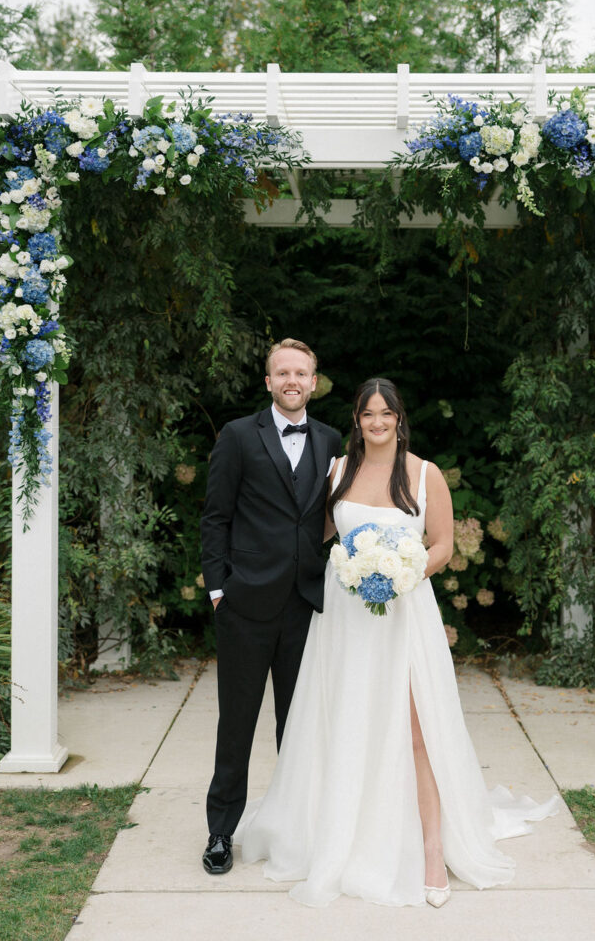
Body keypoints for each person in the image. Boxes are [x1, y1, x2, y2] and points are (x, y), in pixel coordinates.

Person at [233, 377, 559, 906]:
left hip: (404, 615)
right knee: (345, 724)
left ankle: (432, 849)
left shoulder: (426, 474)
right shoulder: (338, 470)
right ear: (356, 421)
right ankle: (343, 837)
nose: (377, 423)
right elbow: (309, 532)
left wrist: (405, 573)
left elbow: (444, 544)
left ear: (399, 418)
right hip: (345, 619)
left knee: (415, 730)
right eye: (367, 415)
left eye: (386, 414)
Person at [199, 338, 341, 875]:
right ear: (268, 382)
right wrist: (219, 589)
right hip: (244, 605)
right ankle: (220, 831)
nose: (292, 381)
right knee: (236, 722)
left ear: (313, 380)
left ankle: (294, 827)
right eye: (282, 372)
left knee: (298, 724)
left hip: (306, 604)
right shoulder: (238, 436)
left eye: (301, 373)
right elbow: (216, 516)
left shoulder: (330, 441)